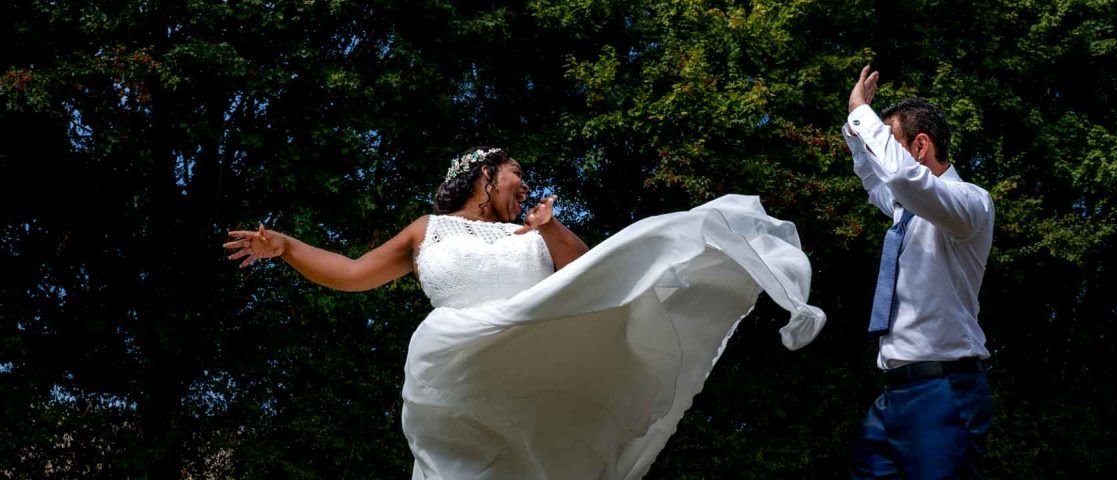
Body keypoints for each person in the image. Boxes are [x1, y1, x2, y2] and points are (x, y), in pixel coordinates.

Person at [226, 146, 826, 480]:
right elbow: (353, 274)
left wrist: (551, 227)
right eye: (515, 175)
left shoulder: (533, 234)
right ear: (484, 177)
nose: (523, 185)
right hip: (457, 376)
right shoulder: (427, 231)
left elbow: (594, 276)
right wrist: (287, 247)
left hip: (538, 384)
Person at [843, 66, 994, 479]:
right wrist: (856, 129)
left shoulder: (970, 204)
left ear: (920, 146)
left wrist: (862, 112)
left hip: (944, 391)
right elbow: (876, 179)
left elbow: (899, 176)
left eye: (891, 143)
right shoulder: (904, 209)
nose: (885, 155)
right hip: (893, 395)